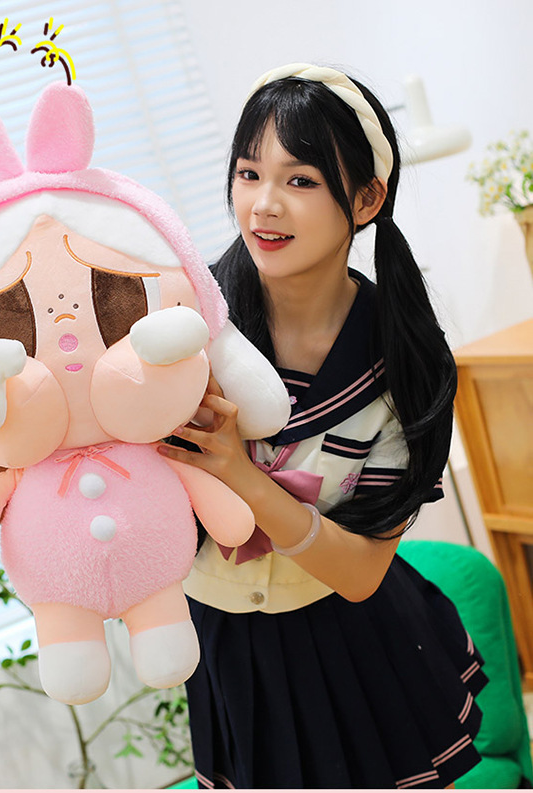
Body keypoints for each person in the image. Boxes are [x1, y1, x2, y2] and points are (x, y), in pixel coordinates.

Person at [156, 63, 486, 790]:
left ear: (366, 197)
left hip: (359, 645)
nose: (263, 205)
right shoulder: (179, 322)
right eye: (248, 174)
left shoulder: (406, 361)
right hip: (225, 647)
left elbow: (361, 573)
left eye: (300, 180)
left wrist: (243, 477)